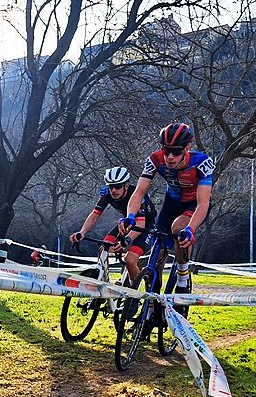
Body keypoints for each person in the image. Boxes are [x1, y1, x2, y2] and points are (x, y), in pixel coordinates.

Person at [121, 122, 214, 292]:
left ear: (187, 148)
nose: (170, 156)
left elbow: (203, 203)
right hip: (171, 203)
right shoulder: (155, 159)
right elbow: (139, 192)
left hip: (195, 204)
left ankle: (183, 276)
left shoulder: (201, 162)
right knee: (158, 252)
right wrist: (130, 216)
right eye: (166, 150)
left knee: (179, 229)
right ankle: (152, 301)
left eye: (176, 151)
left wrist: (191, 229)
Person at [68, 166, 157, 282]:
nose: (114, 190)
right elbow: (95, 215)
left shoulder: (136, 195)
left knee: (130, 260)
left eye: (118, 186)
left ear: (126, 186)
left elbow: (140, 225)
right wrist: (82, 232)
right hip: (127, 222)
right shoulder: (107, 194)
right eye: (111, 186)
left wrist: (127, 240)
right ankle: (104, 283)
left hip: (146, 226)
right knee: (104, 247)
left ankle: (135, 297)